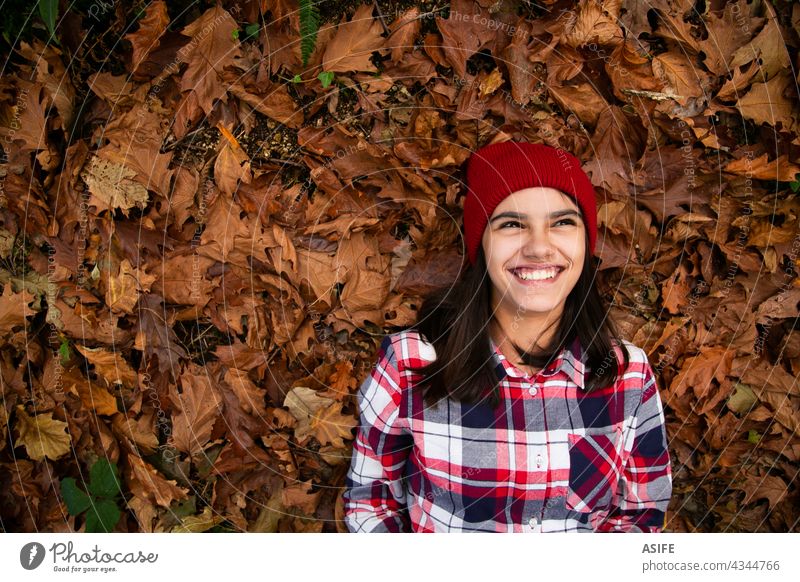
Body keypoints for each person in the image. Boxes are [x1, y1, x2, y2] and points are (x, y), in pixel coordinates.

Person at [342, 141, 672, 532]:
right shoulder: (410, 364)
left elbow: (638, 516)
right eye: (512, 224)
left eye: (562, 222)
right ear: (481, 244)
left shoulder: (627, 375)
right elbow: (371, 503)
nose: (538, 247)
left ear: (586, 241)